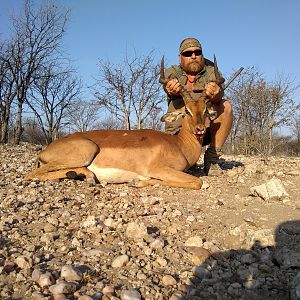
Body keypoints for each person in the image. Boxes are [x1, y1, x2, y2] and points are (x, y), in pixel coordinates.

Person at [162, 37, 233, 175]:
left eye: (197, 52)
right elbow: (167, 86)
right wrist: (169, 89)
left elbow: (220, 92)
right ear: (180, 57)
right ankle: (189, 161)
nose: (193, 56)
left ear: (202, 54)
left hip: (204, 128)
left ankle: (212, 158)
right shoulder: (172, 72)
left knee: (226, 106)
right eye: (187, 54)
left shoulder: (212, 70)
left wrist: (217, 93)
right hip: (180, 133)